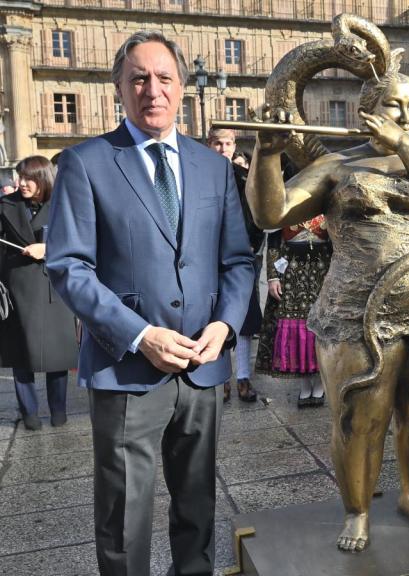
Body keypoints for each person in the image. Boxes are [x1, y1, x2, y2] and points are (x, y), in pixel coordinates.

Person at [246, 24, 409, 552]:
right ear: (368, 109)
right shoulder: (333, 165)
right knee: (359, 414)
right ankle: (357, 509)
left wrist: (406, 144)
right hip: (356, 307)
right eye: (396, 107)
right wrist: (267, 155)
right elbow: (270, 213)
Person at [45, 31, 254, 574]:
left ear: (182, 87)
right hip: (126, 368)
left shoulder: (213, 168)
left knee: (198, 507)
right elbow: (68, 265)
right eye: (138, 77)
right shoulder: (85, 163)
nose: (152, 89)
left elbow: (237, 260)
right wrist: (141, 334)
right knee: (123, 516)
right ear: (119, 86)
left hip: (202, 367)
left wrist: (226, 326)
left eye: (164, 77)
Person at [0, 156, 78, 431]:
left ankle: (59, 412)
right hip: (18, 286)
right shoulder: (6, 206)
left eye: (28, 178)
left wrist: (47, 250)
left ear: (43, 178)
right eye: (19, 177)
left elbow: (79, 241)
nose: (21, 183)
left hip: (55, 287)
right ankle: (29, 414)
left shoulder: (64, 205)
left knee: (57, 354)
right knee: (22, 354)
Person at [207, 127, 262, 402]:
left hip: (241, 258)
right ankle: (222, 379)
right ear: (210, 144)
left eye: (228, 143)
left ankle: (243, 378)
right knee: (216, 318)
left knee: (244, 321)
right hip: (208, 260)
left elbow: (258, 213)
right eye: (218, 143)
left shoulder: (245, 177)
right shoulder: (200, 178)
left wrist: (252, 244)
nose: (223, 148)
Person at [255, 220, 332, 407]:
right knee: (298, 331)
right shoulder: (287, 201)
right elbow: (274, 240)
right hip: (292, 273)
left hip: (324, 272)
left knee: (323, 329)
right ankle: (305, 385)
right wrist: (273, 276)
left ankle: (321, 384)